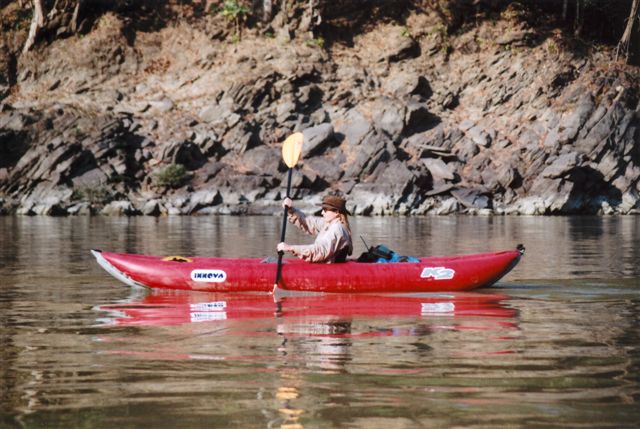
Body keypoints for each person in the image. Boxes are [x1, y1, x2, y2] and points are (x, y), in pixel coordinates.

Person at [276, 195, 353, 263]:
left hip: (328, 269)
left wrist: (291, 248)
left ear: (336, 212)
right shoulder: (329, 223)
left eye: (325, 210)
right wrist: (291, 210)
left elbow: (321, 251)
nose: (322, 213)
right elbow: (307, 222)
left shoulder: (337, 229)